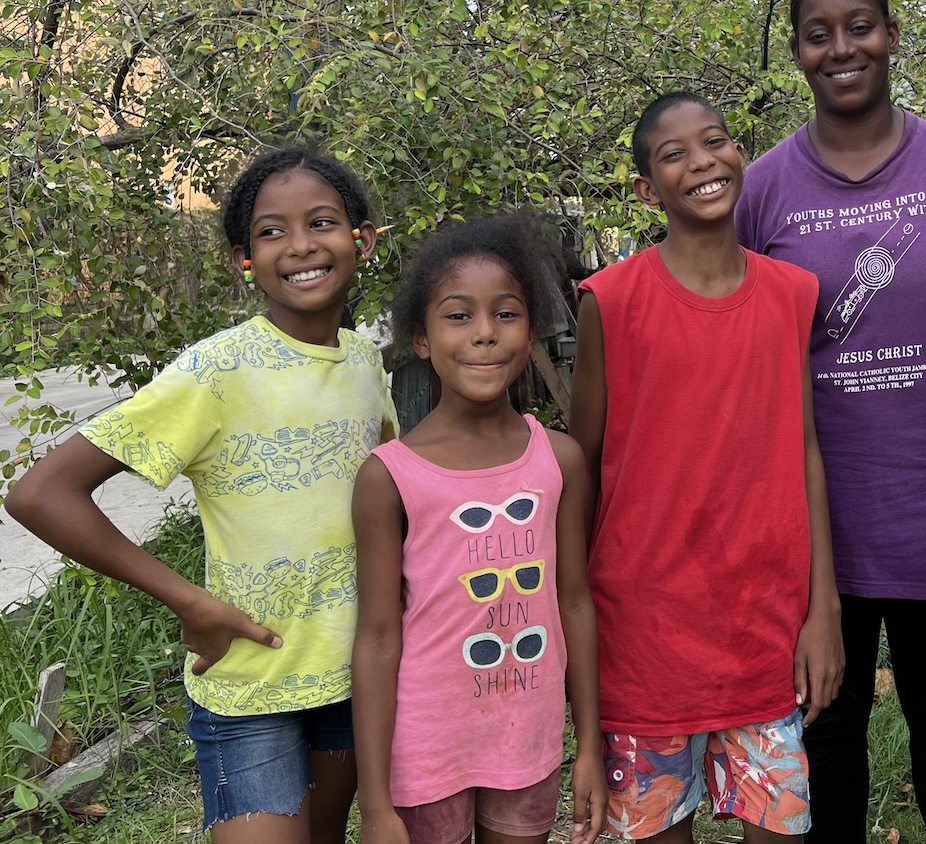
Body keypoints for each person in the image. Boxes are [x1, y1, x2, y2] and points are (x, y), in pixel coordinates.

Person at [4, 146, 396, 844]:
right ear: (242, 260)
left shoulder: (365, 362)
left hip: (354, 676)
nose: (301, 245)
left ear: (362, 239)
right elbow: (41, 494)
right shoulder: (215, 371)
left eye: (322, 222)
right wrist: (190, 601)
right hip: (249, 687)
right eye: (271, 231)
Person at [734, 0, 926, 841]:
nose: (842, 47)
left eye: (860, 26)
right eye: (818, 34)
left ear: (891, 36)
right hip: (822, 525)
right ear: (796, 54)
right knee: (827, 731)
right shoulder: (763, 189)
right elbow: (745, 347)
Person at [568, 91, 843, 843]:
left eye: (715, 141)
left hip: (764, 630)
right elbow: (581, 467)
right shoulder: (611, 301)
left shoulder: (792, 293)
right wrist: (575, 618)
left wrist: (824, 608)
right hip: (644, 640)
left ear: (740, 155)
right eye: (674, 154)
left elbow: (806, 449)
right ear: (645, 189)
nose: (703, 162)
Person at [350, 215, 606, 844]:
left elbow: (573, 601)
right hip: (426, 748)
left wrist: (591, 744)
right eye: (459, 316)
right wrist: (376, 802)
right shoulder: (389, 476)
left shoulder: (559, 459)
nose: (486, 334)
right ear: (420, 338)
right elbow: (379, 637)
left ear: (533, 327)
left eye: (507, 314)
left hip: (529, 739)